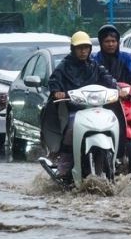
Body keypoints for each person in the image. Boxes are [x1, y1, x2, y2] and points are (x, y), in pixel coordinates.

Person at [44, 31, 119, 184]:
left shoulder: (94, 65)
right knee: (71, 128)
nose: (83, 51)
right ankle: (65, 163)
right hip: (73, 109)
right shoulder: (64, 66)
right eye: (79, 48)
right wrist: (57, 91)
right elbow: (54, 81)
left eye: (86, 48)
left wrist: (117, 88)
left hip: (95, 107)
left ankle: (115, 159)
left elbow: (107, 79)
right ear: (73, 49)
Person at [93, 24, 131, 90]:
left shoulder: (127, 58)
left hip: (125, 95)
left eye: (113, 41)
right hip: (100, 96)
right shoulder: (94, 60)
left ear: (118, 42)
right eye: (107, 41)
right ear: (101, 43)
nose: (110, 44)